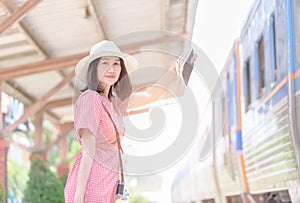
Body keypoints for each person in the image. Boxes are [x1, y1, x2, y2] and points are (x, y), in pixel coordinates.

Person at [64, 40, 181, 203]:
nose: (111, 69)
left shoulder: (113, 102)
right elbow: (88, 153)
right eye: (105, 63)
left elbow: (150, 96)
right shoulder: (91, 99)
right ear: (94, 68)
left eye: (116, 64)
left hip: (107, 187)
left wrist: (172, 71)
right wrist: (78, 197)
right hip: (91, 188)